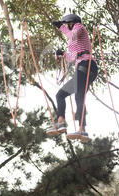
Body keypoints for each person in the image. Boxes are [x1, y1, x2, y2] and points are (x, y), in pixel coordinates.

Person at [46, 14, 98, 142]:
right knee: (79, 98)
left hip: (86, 65)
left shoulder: (79, 27)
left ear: (71, 22)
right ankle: (83, 131)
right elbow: (74, 59)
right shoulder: (74, 39)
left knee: (60, 95)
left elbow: (72, 35)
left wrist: (60, 27)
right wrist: (63, 54)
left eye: (66, 24)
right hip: (86, 67)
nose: (65, 27)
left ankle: (61, 122)